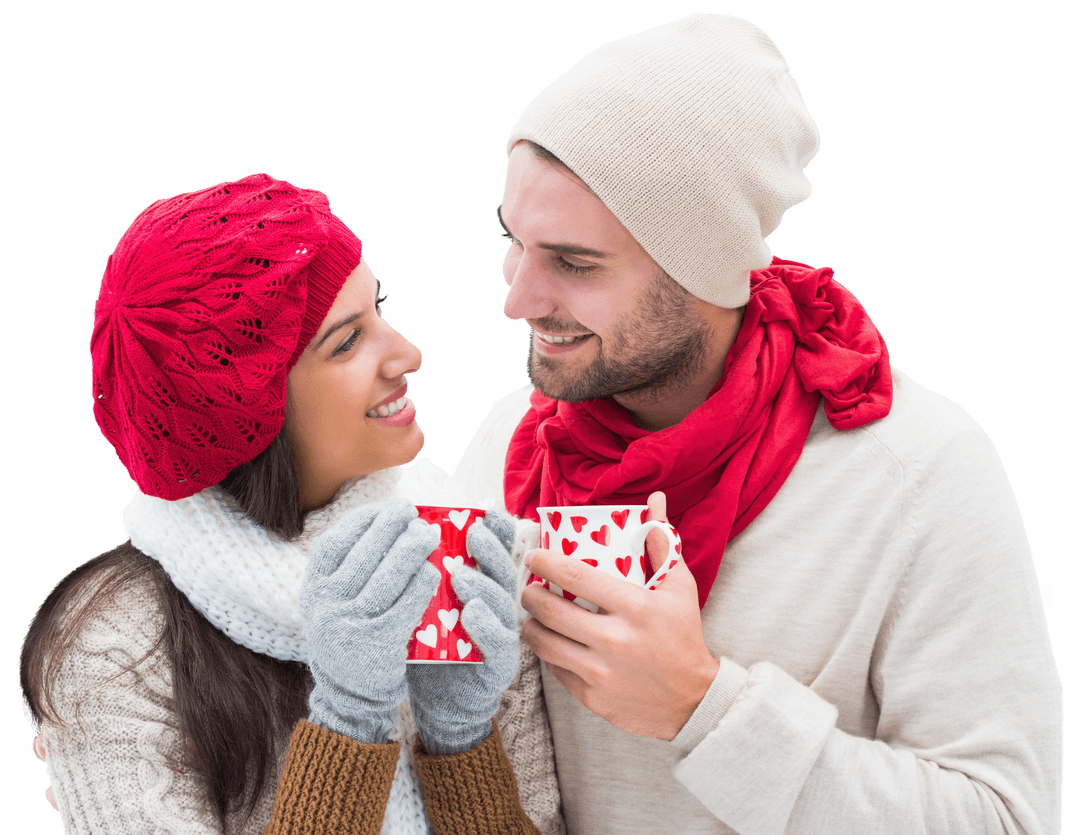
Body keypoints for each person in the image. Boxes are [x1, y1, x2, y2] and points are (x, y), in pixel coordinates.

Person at [455, 13, 1064, 835]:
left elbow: (1006, 820)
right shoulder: (509, 445)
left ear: (702, 268)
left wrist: (703, 707)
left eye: (573, 262)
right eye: (512, 242)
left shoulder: (924, 473)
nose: (516, 300)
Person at [18, 173, 543, 835]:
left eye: (380, 307)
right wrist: (348, 721)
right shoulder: (116, 649)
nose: (409, 353)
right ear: (248, 409)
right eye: (347, 342)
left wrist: (462, 742)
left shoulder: (457, 555)